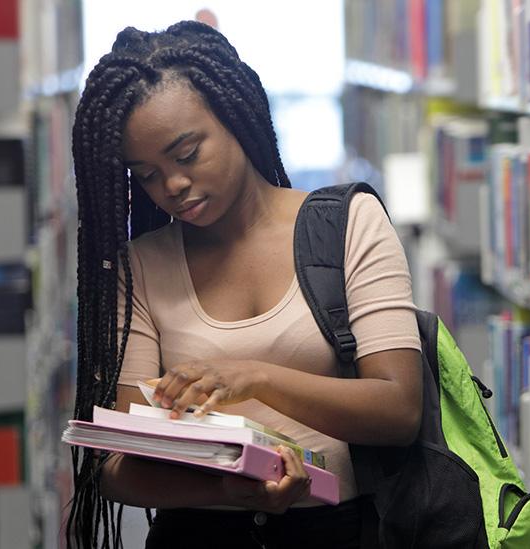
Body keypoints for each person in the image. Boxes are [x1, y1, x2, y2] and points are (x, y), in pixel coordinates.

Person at [67, 20, 423, 549]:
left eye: (187, 154)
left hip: (346, 531)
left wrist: (255, 378)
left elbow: (399, 410)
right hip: (198, 535)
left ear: (236, 116)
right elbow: (117, 466)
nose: (172, 186)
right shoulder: (139, 267)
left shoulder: (349, 223)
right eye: (145, 173)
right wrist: (236, 492)